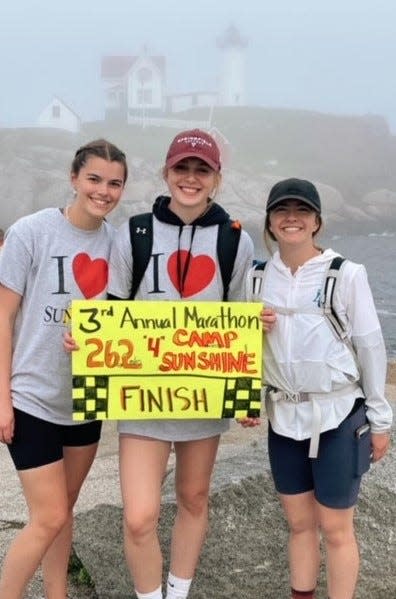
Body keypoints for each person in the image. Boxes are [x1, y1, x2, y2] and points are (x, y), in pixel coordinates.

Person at [107, 129, 254, 599]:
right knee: (138, 516)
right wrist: (86, 340)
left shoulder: (236, 241)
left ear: (216, 179)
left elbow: (239, 322)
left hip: (203, 397)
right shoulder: (134, 232)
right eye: (182, 167)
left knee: (193, 498)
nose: (190, 178)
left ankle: (179, 591)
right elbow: (110, 310)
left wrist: (247, 389)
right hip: (141, 395)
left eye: (202, 169)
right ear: (166, 172)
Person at [242, 177, 393, 599]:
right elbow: (237, 346)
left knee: (336, 528)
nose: (292, 219)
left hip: (339, 418)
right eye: (281, 211)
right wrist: (248, 397)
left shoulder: (345, 275)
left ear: (317, 222)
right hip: (283, 419)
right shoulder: (255, 278)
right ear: (269, 224)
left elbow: (370, 347)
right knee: (298, 524)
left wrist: (381, 420)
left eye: (302, 211)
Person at [0, 139, 128, 599]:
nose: (103, 191)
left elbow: (130, 322)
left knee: (65, 507)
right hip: (32, 395)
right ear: (74, 179)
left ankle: (58, 594)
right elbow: (3, 316)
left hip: (85, 400)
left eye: (114, 183)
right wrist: (2, 400)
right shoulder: (31, 231)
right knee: (49, 515)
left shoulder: (119, 244)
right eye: (94, 179)